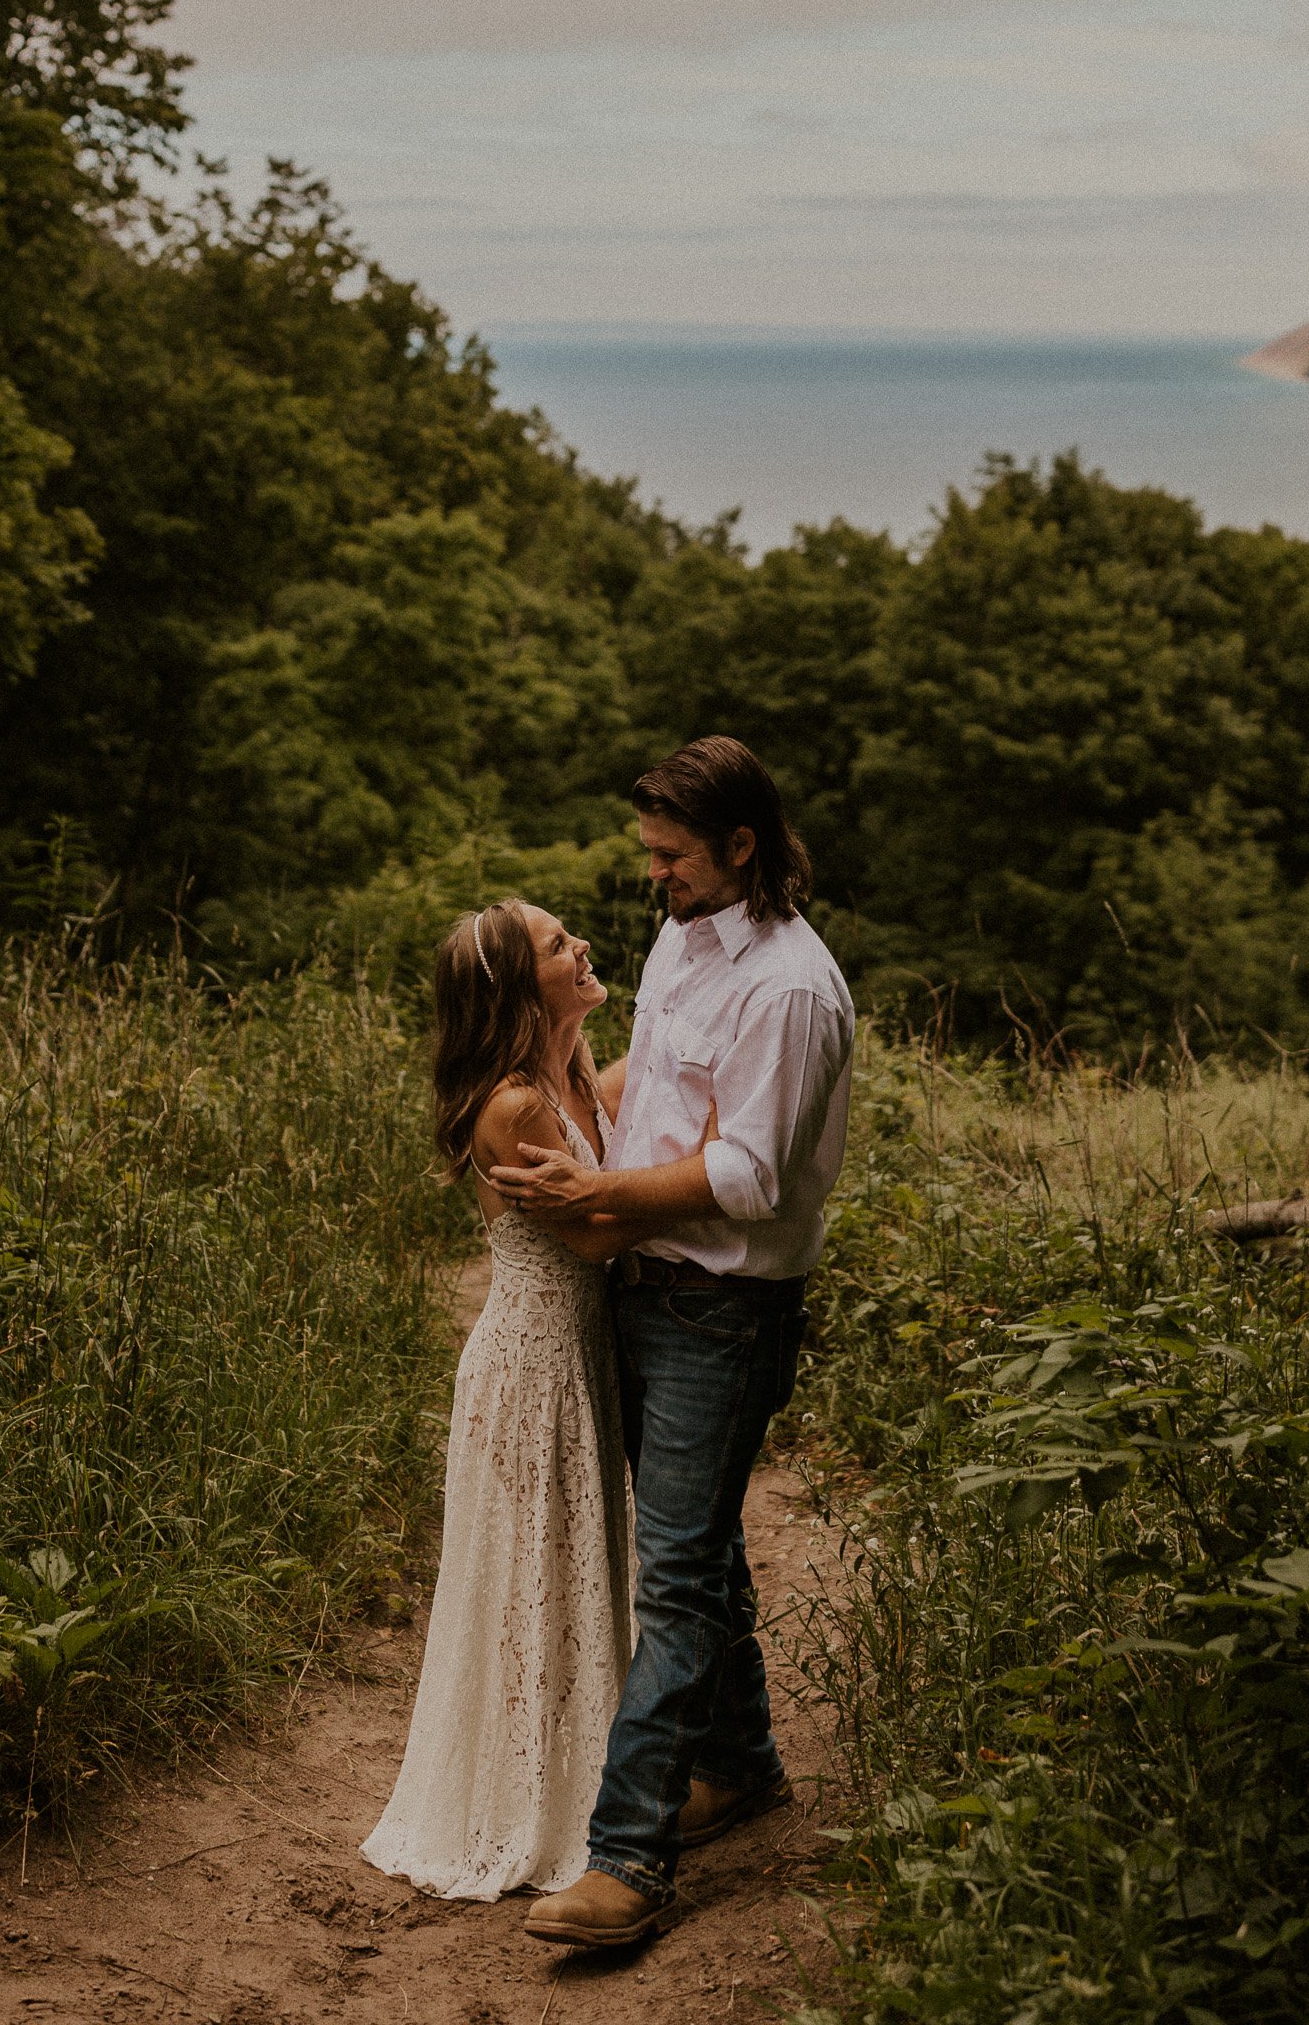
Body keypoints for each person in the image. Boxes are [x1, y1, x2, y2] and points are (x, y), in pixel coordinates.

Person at [492, 736, 856, 1951]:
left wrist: (597, 1204)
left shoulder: (792, 988)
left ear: (741, 847)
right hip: (645, 1292)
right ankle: (742, 1768)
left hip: (722, 1309)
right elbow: (649, 1086)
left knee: (678, 1578)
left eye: (672, 854)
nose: (652, 875)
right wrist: (555, 1127)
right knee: (692, 1548)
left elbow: (750, 1177)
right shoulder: (681, 941)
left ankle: (628, 1859)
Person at [360, 898, 664, 1897]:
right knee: (531, 1578)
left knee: (574, 1568)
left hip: (576, 1361)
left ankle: (587, 1775)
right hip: (532, 1371)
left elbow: (626, 1101)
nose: (580, 947)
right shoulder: (512, 1107)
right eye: (555, 944)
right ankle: (531, 1799)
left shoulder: (565, 1080)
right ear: (517, 989)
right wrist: (713, 1167)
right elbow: (598, 1234)